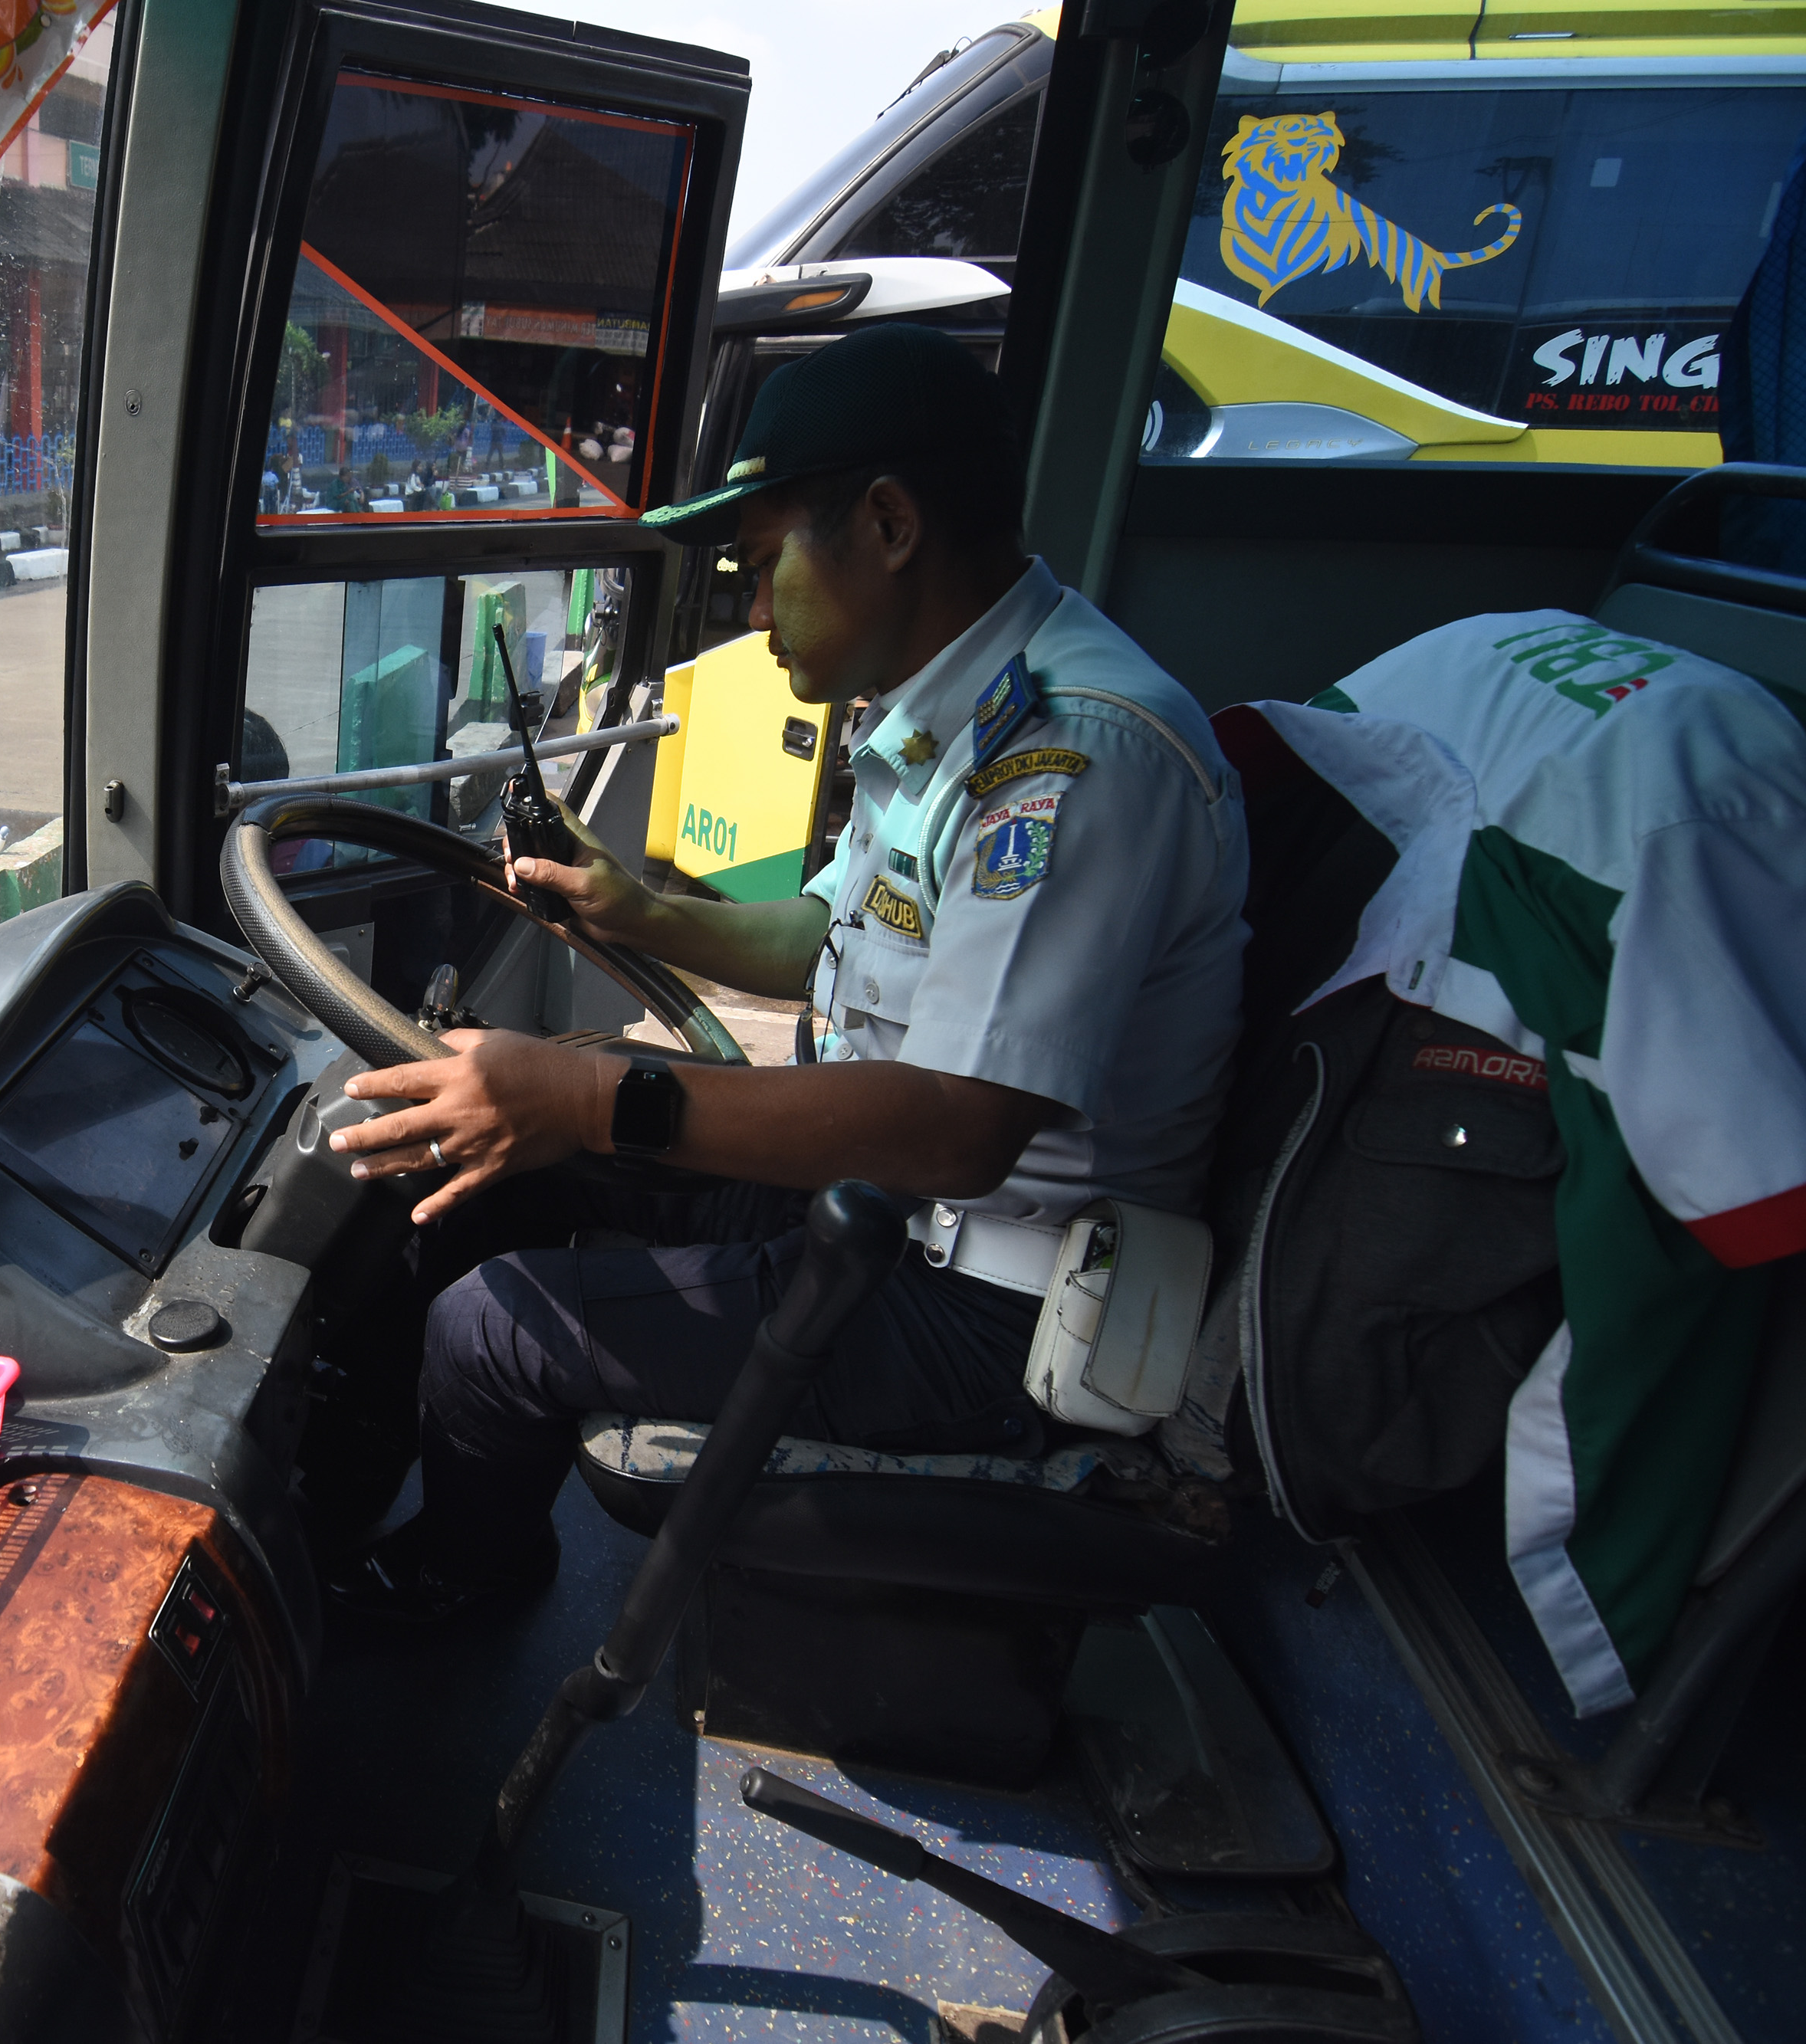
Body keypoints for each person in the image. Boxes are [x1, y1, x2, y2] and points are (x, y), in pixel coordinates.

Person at [316, 326, 1252, 1624]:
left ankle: (465, 1591)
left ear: (887, 523)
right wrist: (632, 907)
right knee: (465, 1180)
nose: (753, 619)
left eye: (762, 572)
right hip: (871, 1200)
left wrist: (588, 1098)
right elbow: (826, 929)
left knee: (495, 1327)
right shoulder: (947, 713)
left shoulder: (1077, 755)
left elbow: (964, 1124)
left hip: (987, 1304)